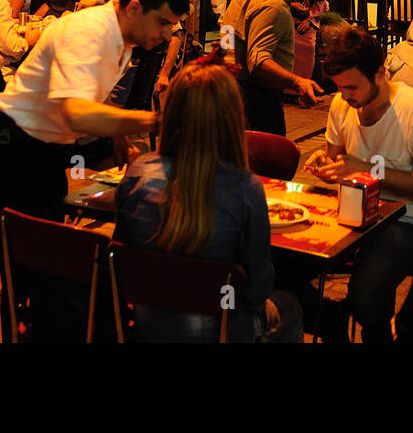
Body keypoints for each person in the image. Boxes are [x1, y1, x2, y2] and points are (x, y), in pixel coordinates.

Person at [0, 0, 190, 340]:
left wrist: (120, 141)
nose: (164, 35)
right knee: (23, 267)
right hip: (13, 149)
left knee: (48, 265)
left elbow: (94, 100)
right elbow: (76, 112)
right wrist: (156, 121)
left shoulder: (123, 39)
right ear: (134, 8)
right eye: (162, 23)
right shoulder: (88, 32)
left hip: (45, 153)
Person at [114, 63, 302, 343]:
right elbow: (258, 286)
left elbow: (121, 257)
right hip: (224, 332)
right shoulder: (246, 189)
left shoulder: (137, 173)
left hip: (145, 329)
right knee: (292, 306)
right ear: (232, 120)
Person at [307, 28, 413, 343]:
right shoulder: (343, 104)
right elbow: (335, 158)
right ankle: (330, 320)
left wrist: (368, 170)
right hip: (353, 210)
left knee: (366, 295)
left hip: (409, 220)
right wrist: (325, 164)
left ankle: (377, 334)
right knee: (287, 270)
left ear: (380, 73)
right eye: (340, 88)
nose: (345, 96)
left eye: (353, 87)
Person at [220, 0, 323, 135]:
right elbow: (258, 61)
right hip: (258, 101)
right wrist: (297, 81)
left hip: (238, 93)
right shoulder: (271, 4)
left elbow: (227, 33)